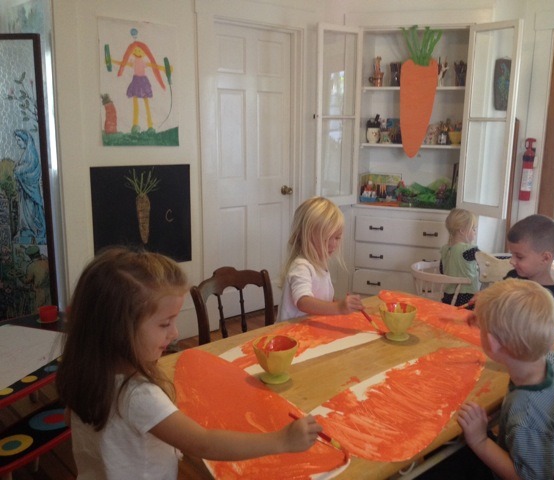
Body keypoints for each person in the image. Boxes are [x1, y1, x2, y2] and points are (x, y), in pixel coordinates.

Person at [56, 247, 321, 479]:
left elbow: (79, 425)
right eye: (164, 324)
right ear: (118, 329)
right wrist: (281, 440)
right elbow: (204, 443)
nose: (175, 333)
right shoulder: (137, 395)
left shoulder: (85, 375)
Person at [457, 279, 554, 480]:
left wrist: (480, 440)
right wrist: (487, 316)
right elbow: (548, 343)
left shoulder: (526, 415)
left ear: (492, 342)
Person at [277, 196, 363, 322]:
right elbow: (303, 301)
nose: (333, 244)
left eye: (337, 237)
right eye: (326, 238)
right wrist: (338, 307)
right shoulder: (301, 266)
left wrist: (338, 303)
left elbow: (321, 298)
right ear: (305, 236)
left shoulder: (320, 264)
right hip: (290, 331)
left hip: (310, 327)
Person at [505, 214, 554, 335]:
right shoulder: (512, 277)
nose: (512, 261)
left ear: (545, 258)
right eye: (512, 254)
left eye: (519, 257)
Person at [439, 208, 480, 306]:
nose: (475, 232)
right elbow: (486, 262)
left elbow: (442, 270)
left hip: (448, 296)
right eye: (473, 228)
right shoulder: (469, 250)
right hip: (467, 296)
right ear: (462, 231)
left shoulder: (445, 249)